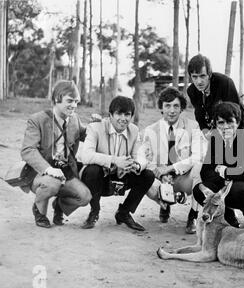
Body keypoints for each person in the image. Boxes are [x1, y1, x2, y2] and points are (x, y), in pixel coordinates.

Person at [20, 80, 92, 228]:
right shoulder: (37, 120)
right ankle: (39, 211)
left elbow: (86, 135)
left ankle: (59, 205)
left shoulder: (74, 119)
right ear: (56, 99)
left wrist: (97, 126)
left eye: (76, 102)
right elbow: (27, 150)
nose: (74, 105)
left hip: (65, 170)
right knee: (52, 184)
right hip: (40, 172)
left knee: (85, 197)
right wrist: (48, 169)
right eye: (69, 101)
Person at [192, 101, 244, 228]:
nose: (226, 126)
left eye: (230, 122)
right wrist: (224, 180)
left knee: (237, 188)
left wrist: (223, 171)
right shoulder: (216, 139)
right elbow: (206, 172)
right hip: (229, 187)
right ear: (215, 124)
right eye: (221, 122)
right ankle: (229, 221)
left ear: (237, 122)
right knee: (199, 189)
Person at [80, 96, 155, 231]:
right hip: (99, 179)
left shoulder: (134, 130)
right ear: (110, 115)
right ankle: (94, 211)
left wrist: (135, 165)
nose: (123, 118)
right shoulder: (95, 127)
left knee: (147, 175)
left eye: (127, 114)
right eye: (119, 114)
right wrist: (115, 160)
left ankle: (124, 213)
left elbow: (139, 155)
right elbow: (85, 156)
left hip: (121, 177)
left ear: (131, 116)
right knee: (92, 170)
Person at [141, 87, 207, 234]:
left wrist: (171, 168)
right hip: (162, 180)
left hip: (184, 178)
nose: (172, 110)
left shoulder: (193, 126)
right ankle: (165, 203)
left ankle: (193, 215)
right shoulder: (150, 130)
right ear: (161, 108)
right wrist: (161, 175)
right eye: (167, 106)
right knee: (142, 174)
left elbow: (198, 155)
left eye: (176, 106)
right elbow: (146, 159)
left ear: (182, 108)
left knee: (200, 165)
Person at [186, 53, 244, 134]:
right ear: (190, 76)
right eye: (195, 77)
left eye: (202, 76)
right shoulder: (192, 91)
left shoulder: (225, 83)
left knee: (239, 146)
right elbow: (199, 114)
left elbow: (235, 113)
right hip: (217, 130)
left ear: (209, 74)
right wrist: (205, 131)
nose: (199, 81)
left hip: (239, 128)